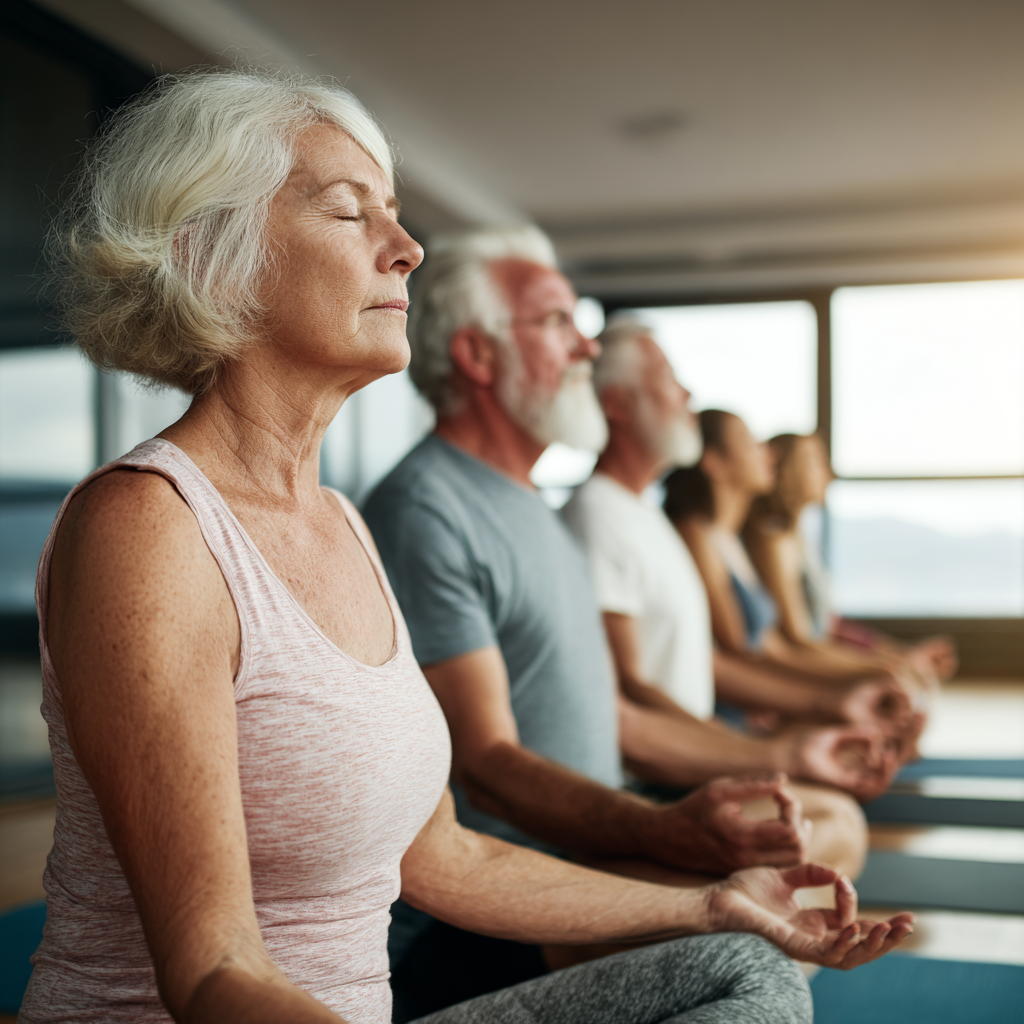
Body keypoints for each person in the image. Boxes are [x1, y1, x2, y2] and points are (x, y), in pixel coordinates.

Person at [20, 67, 913, 1024]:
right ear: (211, 257)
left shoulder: (343, 525)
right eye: (348, 212)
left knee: (743, 963)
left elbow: (444, 856)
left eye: (395, 215)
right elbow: (213, 976)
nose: (405, 250)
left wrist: (712, 904)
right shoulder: (146, 527)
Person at [363, 227, 908, 1014]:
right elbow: (485, 762)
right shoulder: (426, 509)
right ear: (478, 356)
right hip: (501, 899)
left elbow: (617, 713)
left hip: (588, 843)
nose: (587, 347)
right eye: (557, 321)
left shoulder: (529, 502)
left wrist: (786, 752)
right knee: (779, 921)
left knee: (822, 840)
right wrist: (662, 831)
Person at [563, 320, 909, 810]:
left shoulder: (643, 513)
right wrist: (747, 751)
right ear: (618, 405)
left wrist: (832, 702)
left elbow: (710, 662)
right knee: (838, 817)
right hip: (658, 776)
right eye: (667, 378)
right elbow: (629, 687)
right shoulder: (596, 516)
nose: (687, 394)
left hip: (698, 750)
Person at [663, 411, 930, 748]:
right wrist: (853, 683)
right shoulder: (701, 536)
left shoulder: (729, 538)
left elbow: (776, 646)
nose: (768, 452)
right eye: (749, 442)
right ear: (714, 461)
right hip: (742, 715)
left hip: (766, 701)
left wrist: (877, 669)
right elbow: (748, 654)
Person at [743, 433, 957, 686]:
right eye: (814, 462)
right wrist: (888, 667)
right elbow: (800, 640)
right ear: (786, 472)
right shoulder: (774, 542)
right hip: (806, 676)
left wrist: (902, 655)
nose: (828, 473)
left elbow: (830, 626)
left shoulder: (799, 538)